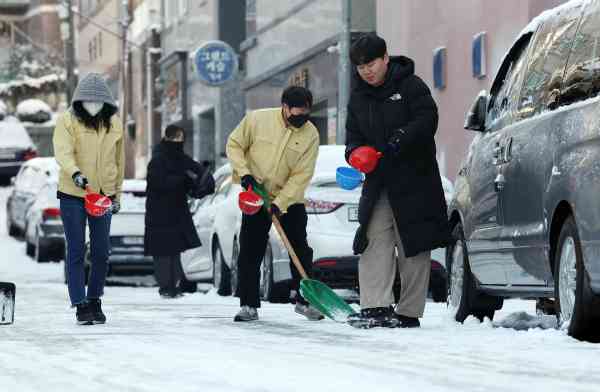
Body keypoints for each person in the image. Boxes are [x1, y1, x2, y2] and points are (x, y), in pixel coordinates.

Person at [345, 34, 451, 328]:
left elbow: (428, 118)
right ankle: (375, 307)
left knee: (413, 244)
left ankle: (408, 311)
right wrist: (355, 153)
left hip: (415, 179)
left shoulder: (410, 85)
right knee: (373, 239)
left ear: (385, 59)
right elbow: (352, 137)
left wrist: (401, 138)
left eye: (371, 63)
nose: (366, 70)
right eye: (360, 66)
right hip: (379, 181)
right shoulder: (358, 97)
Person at [226, 86, 321, 322]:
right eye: (296, 114)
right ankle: (248, 304)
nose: (301, 119)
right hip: (256, 193)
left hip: (289, 198)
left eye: (305, 114)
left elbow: (302, 174)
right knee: (250, 249)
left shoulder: (310, 134)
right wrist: (244, 173)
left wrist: (280, 203)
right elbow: (234, 144)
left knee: (300, 248)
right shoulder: (257, 120)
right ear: (285, 107)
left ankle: (304, 300)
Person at [53, 73, 124, 325]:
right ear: (79, 101)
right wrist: (75, 173)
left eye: (98, 100)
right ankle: (80, 304)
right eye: (88, 100)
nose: (93, 105)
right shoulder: (68, 121)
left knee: (102, 252)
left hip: (102, 196)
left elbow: (118, 161)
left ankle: (94, 298)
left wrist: (116, 194)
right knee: (75, 249)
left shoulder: (113, 123)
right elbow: (62, 151)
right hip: (73, 193)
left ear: (106, 101)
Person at [144, 125, 215, 298]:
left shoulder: (181, 159)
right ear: (167, 138)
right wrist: (183, 179)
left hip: (176, 212)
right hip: (159, 214)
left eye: (181, 139)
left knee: (175, 251)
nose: (179, 142)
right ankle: (165, 287)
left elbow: (195, 172)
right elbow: (159, 183)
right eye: (176, 139)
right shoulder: (157, 160)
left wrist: (203, 179)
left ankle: (173, 287)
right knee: (162, 252)